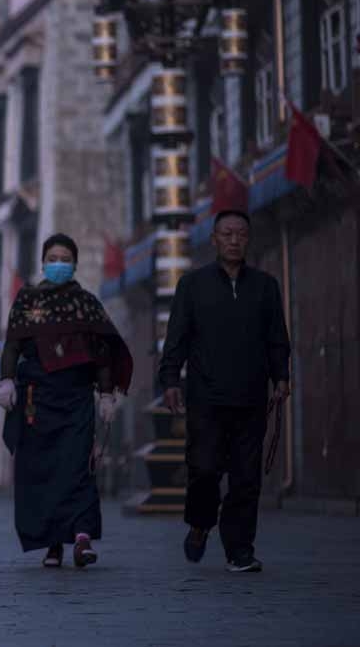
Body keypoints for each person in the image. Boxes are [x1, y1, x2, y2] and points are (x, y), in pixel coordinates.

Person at [159, 209, 290, 573]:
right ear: (214, 239)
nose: (234, 240)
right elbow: (176, 340)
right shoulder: (193, 285)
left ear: (248, 240)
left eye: (241, 234)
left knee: (246, 478)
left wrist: (282, 377)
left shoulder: (265, 286)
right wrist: (170, 381)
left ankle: (240, 550)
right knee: (203, 469)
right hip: (206, 397)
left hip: (251, 396)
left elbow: (277, 339)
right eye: (227, 234)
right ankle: (200, 524)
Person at [0, 233, 133, 568]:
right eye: (52, 258)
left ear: (74, 264)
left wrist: (104, 394)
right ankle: (52, 543)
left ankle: (83, 537)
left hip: (76, 399)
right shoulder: (27, 299)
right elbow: (12, 344)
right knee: (41, 472)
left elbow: (101, 352)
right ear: (43, 263)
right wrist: (7, 380)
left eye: (65, 258)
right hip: (36, 399)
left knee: (77, 468)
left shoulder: (85, 302)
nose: (58, 263)